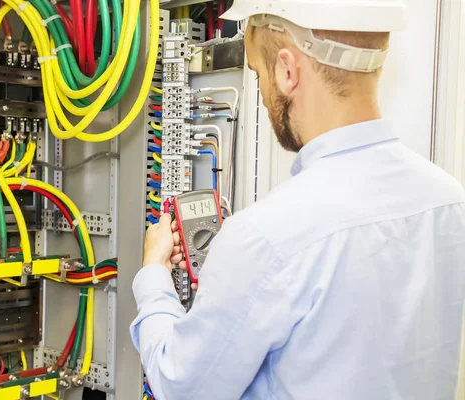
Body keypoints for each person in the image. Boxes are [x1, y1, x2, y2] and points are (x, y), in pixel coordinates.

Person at [130, 0, 465, 399]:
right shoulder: (449, 202)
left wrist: (153, 273)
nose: (262, 94)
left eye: (258, 74)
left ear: (288, 71)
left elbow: (178, 385)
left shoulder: (265, 237)